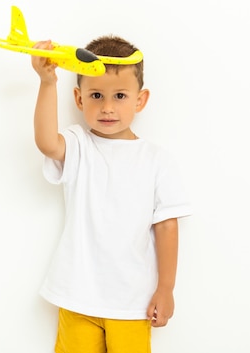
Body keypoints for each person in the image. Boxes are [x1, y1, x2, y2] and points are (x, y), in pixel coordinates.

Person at [30, 35, 191, 353]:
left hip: (132, 302)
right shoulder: (79, 145)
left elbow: (167, 226)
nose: (107, 107)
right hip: (77, 296)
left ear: (140, 100)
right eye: (96, 95)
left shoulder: (156, 160)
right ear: (79, 99)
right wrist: (46, 82)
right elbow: (48, 143)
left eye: (119, 95)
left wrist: (166, 288)